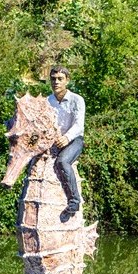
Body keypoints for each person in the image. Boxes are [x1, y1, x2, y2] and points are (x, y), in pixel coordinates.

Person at [47, 65, 85, 214]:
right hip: (54, 140)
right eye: (53, 79)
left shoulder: (77, 100)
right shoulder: (47, 101)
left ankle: (75, 201)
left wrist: (67, 137)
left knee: (62, 161)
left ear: (67, 81)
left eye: (60, 79)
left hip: (74, 140)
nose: (56, 82)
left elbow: (78, 125)